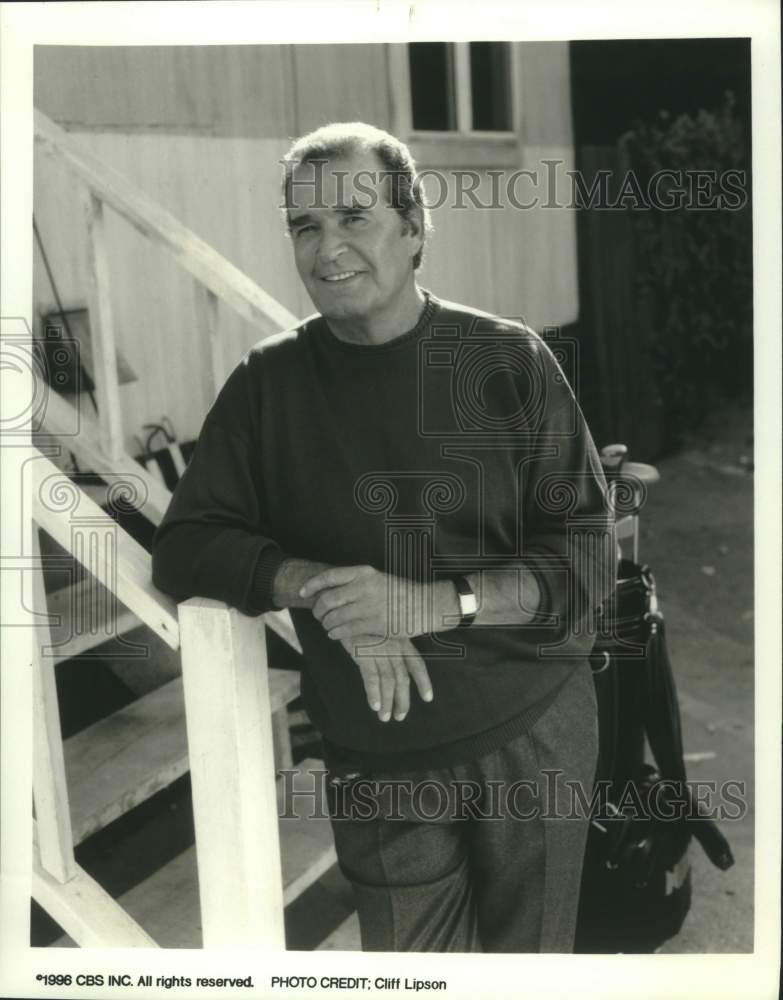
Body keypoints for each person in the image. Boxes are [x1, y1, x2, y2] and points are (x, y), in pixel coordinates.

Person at [152, 121, 615, 953]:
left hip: (532, 726)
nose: (326, 248)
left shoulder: (506, 360)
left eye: (353, 217)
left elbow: (586, 557)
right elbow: (186, 544)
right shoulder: (266, 384)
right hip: (378, 750)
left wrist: (428, 605)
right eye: (304, 225)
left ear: (412, 228)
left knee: (530, 969)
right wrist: (328, 594)